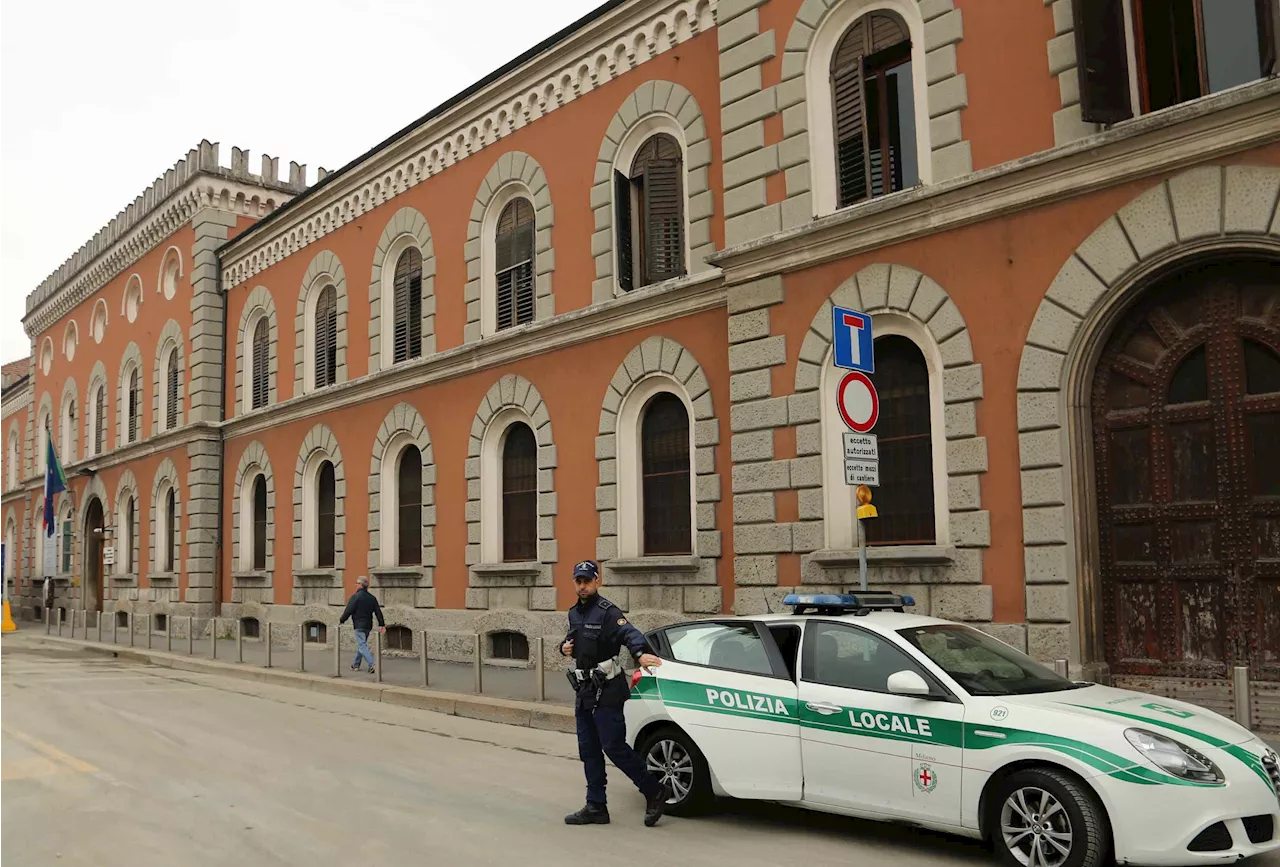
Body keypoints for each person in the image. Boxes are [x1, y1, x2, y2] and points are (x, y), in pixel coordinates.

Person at [561, 559, 667, 828]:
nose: (582, 586)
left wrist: (641, 654)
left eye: (587, 581)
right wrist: (565, 647)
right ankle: (596, 805)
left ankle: (654, 791)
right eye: (578, 581)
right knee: (589, 750)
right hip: (584, 690)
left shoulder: (608, 612)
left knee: (614, 747)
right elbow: (572, 639)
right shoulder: (574, 612)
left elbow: (629, 633)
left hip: (607, 689)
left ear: (598, 581)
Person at [338, 576, 385, 675]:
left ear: (360, 585)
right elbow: (378, 612)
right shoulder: (372, 598)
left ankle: (372, 664)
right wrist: (382, 624)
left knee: (362, 645)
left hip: (359, 625)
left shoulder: (355, 597)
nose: (355, 585)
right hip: (368, 625)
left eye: (357, 583)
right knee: (362, 645)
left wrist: (342, 620)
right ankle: (355, 665)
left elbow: (348, 610)